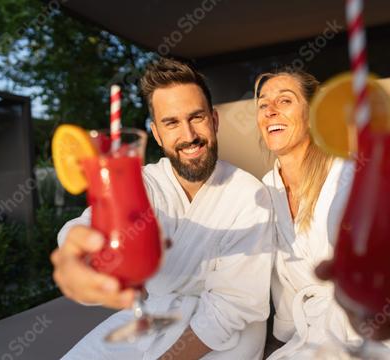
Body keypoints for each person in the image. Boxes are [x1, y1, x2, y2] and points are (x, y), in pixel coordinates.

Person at [50, 58, 273, 360]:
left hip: (228, 333)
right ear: (156, 133)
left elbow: (234, 306)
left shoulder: (249, 194)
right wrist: (78, 255)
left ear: (215, 120)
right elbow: (94, 225)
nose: (189, 134)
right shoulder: (140, 183)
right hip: (153, 315)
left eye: (197, 117)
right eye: (172, 123)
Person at [254, 68, 390, 358]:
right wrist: (286, 333)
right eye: (263, 104)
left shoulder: (349, 172)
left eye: (285, 101)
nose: (270, 111)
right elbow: (283, 282)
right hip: (317, 335)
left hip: (387, 313)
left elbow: (379, 222)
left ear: (312, 114)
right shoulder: (266, 189)